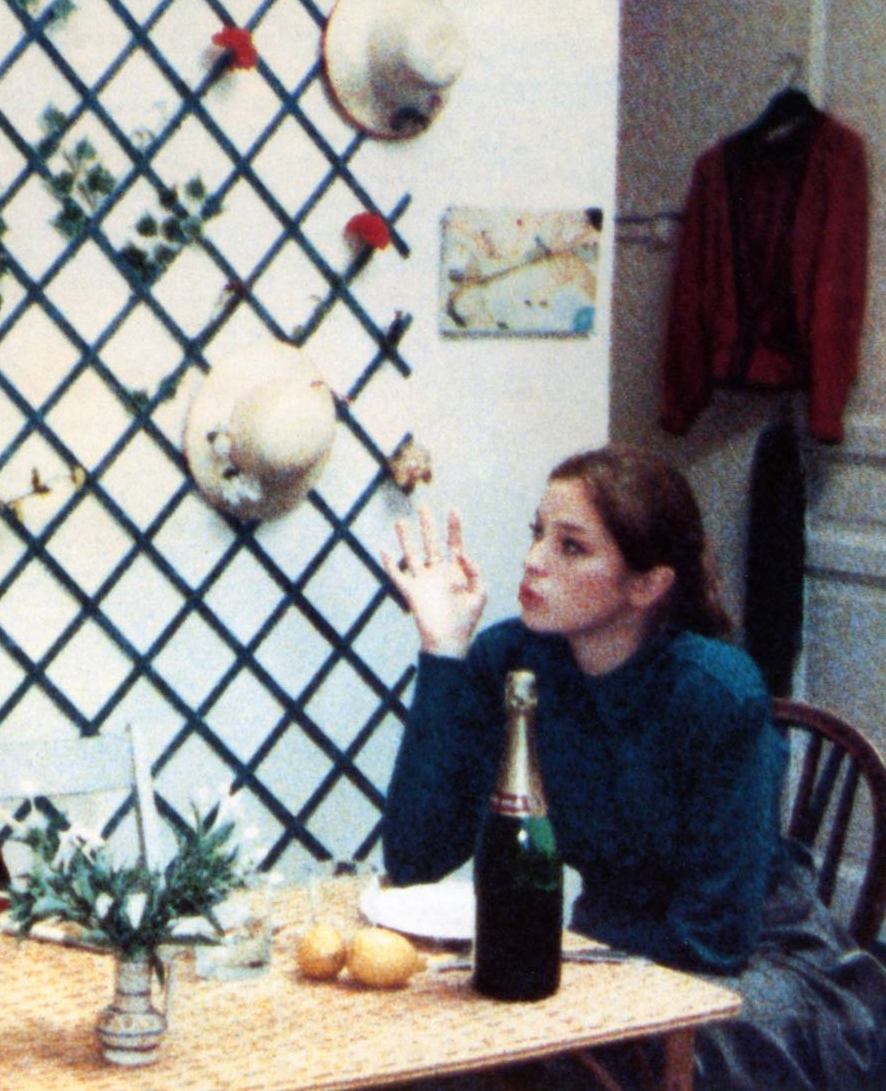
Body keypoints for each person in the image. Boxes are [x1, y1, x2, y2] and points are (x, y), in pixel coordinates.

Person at [379, 443, 886, 1091]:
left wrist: (557, 964)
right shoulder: (516, 661)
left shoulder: (716, 690)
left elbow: (714, 938)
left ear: (647, 584)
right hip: (608, 953)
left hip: (760, 971)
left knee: (555, 1060)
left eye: (571, 546)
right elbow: (415, 858)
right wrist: (444, 650)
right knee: (429, 1048)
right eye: (538, 533)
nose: (533, 559)